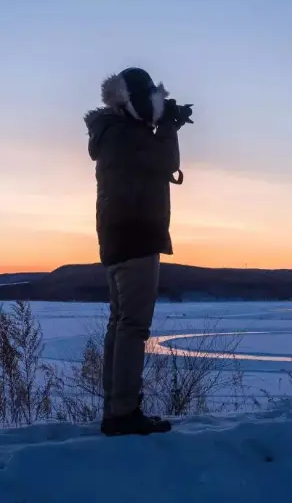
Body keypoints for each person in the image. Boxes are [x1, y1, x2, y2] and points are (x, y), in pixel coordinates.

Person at [83, 67, 187, 436]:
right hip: (138, 235)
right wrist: (170, 126)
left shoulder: (112, 133)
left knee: (120, 323)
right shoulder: (127, 134)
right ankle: (123, 412)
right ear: (131, 101)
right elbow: (166, 162)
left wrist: (163, 124)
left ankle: (116, 408)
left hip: (117, 239)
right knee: (133, 326)